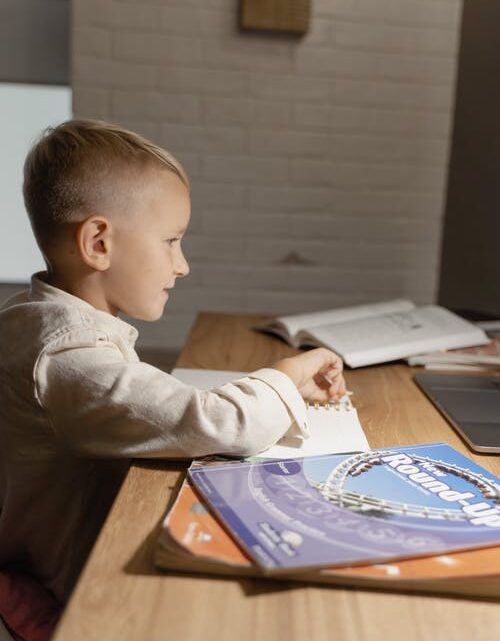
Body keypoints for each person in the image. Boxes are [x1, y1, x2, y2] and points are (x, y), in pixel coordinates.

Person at [0, 120, 345, 605]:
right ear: (99, 243)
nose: (181, 265)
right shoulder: (65, 356)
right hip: (76, 589)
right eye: (171, 241)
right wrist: (285, 374)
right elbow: (219, 422)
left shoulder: (34, 319)